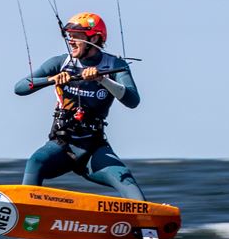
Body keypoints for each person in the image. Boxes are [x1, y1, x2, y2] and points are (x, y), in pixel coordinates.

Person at [14, 11, 145, 201]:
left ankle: (147, 227)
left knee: (126, 180)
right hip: (62, 145)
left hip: (94, 149)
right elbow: (20, 87)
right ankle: (26, 213)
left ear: (95, 38)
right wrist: (52, 79)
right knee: (35, 161)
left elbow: (132, 100)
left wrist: (103, 79)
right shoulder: (60, 63)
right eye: (69, 37)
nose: (71, 41)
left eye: (77, 37)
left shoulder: (115, 65)